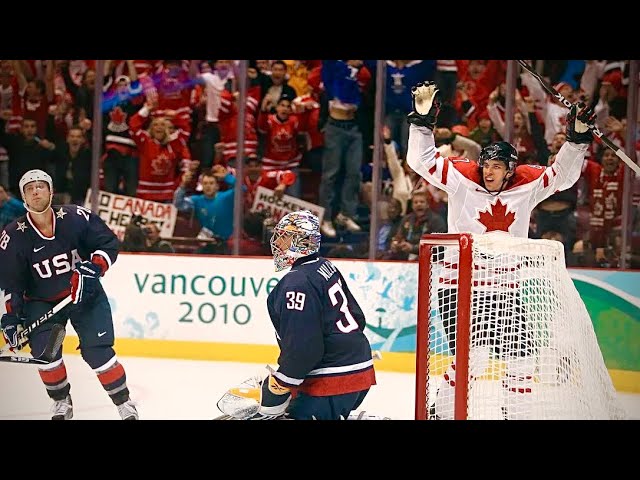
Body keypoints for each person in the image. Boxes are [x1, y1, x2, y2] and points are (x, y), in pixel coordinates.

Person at [405, 81, 596, 419]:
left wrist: (577, 140)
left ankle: (515, 412)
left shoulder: (526, 185)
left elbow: (563, 176)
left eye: (496, 167)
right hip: (457, 288)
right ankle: (442, 410)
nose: (488, 172)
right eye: (486, 166)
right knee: (474, 357)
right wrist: (422, 122)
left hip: (503, 290)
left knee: (525, 357)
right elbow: (420, 161)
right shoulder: (463, 178)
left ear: (510, 170)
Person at [0, 169, 138, 420]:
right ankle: (61, 401)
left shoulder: (76, 217)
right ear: (23, 197)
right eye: (29, 189)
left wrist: (93, 267)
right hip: (41, 302)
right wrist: (11, 319)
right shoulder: (13, 236)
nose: (36, 191)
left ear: (51, 191)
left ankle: (124, 403)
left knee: (99, 352)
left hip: (84, 295)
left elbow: (108, 244)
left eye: (41, 186)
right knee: (45, 354)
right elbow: (12, 284)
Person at [218, 210, 376, 420]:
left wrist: (283, 381)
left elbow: (304, 348)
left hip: (331, 380)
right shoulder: (324, 266)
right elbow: (358, 318)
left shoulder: (296, 284)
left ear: (299, 242)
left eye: (283, 236)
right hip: (358, 369)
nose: (276, 241)